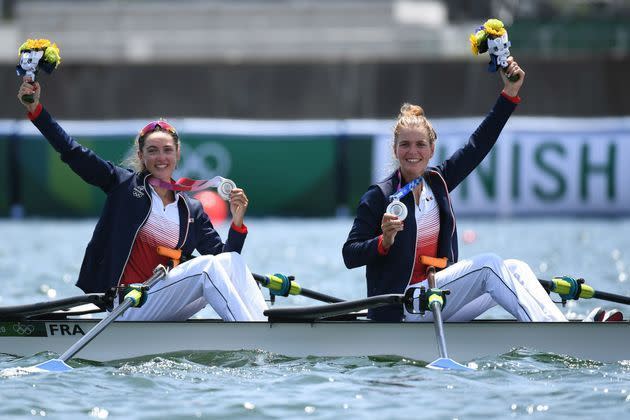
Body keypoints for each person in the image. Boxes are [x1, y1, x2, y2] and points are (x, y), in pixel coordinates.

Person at [17, 77, 267, 322]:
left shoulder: (192, 210)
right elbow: (72, 151)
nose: (161, 157)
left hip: (164, 298)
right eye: (152, 150)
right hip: (127, 303)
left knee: (229, 261)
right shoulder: (122, 185)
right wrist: (35, 110)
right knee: (207, 268)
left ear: (177, 154)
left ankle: (261, 325)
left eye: (167, 150)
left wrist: (237, 222)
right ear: (141, 155)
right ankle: (252, 335)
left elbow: (227, 263)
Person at [342, 57, 567, 323]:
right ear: (394, 149)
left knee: (516, 268)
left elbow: (478, 146)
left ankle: (559, 327)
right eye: (405, 145)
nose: (412, 152)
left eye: (420, 145)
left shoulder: (438, 182)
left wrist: (509, 94)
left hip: (437, 297)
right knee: (488, 265)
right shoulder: (379, 196)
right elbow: (350, 254)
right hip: (401, 307)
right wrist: (384, 241)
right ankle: (547, 332)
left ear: (431, 149)